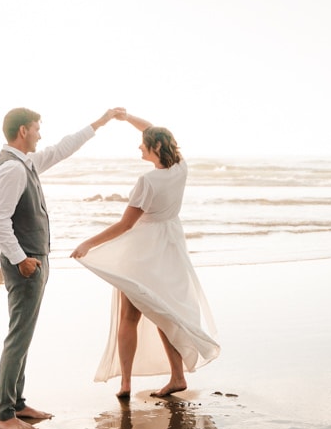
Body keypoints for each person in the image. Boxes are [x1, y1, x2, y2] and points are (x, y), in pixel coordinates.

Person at [0, 106, 123, 429]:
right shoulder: (13, 169)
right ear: (23, 131)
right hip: (26, 263)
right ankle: (4, 414)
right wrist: (21, 259)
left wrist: (101, 122)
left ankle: (17, 404)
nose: (40, 134)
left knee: (24, 334)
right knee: (18, 336)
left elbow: (63, 147)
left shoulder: (27, 162)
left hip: (32, 259)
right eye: (36, 128)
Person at [71, 110, 220, 399]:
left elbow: (126, 225)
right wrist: (128, 119)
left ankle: (126, 383)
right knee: (165, 312)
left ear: (157, 148)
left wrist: (89, 243)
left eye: (144, 144)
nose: (139, 146)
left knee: (130, 317)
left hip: (142, 251)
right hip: (171, 246)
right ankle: (177, 377)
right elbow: (153, 128)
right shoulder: (181, 168)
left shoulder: (148, 181)